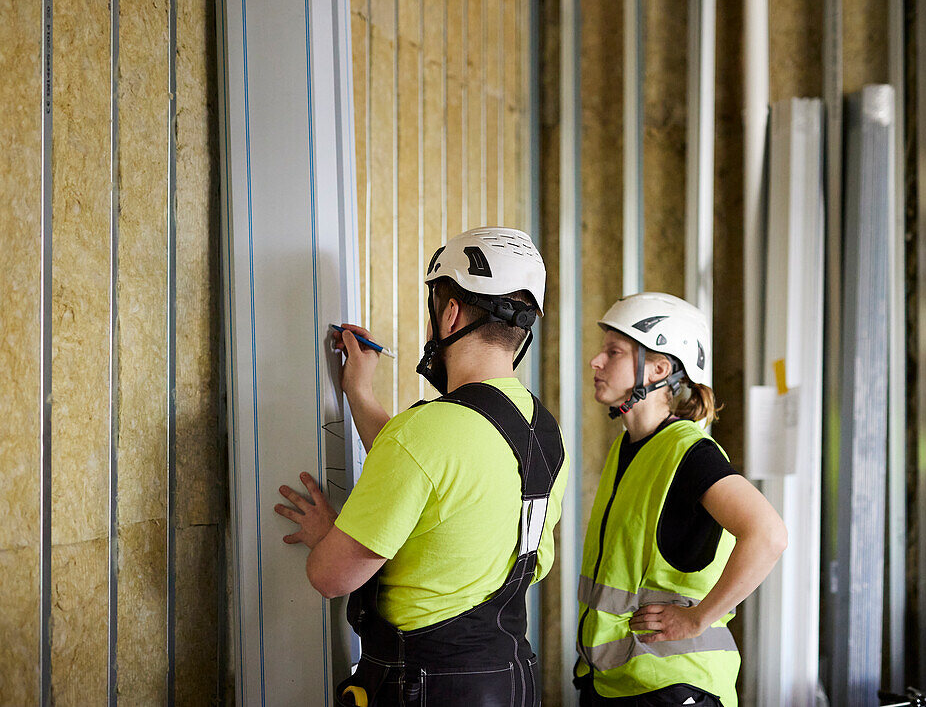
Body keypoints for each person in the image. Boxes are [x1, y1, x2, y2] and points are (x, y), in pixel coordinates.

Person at [275, 227, 569, 707]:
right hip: (511, 680)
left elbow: (330, 577)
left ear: (450, 312)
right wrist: (360, 393)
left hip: (426, 686)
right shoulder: (544, 431)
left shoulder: (426, 432)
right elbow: (426, 473)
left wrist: (333, 534)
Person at [575, 292, 787, 707]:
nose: (596, 362)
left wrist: (698, 617)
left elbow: (769, 534)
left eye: (613, 352)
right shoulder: (629, 447)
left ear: (659, 368)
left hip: (671, 687)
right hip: (618, 682)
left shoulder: (690, 453)